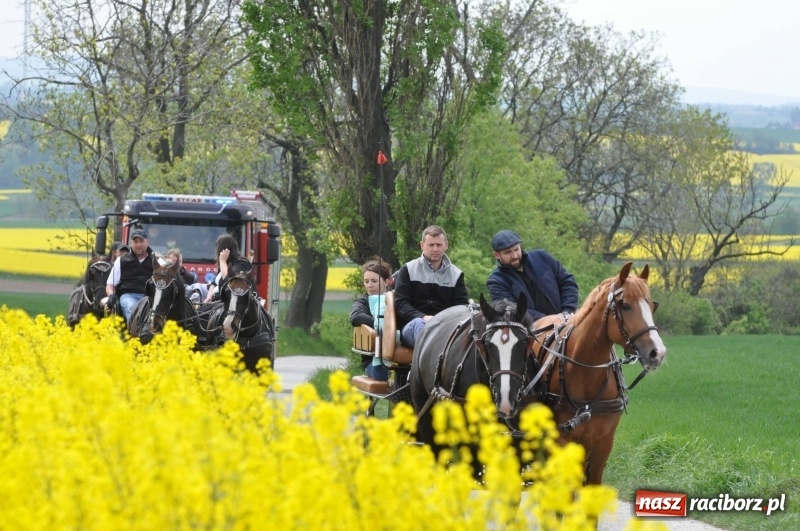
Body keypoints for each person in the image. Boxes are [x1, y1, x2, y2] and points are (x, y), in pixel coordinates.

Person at [394, 225, 469, 348]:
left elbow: (460, 307)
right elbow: (401, 304)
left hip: (445, 327)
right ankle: (433, 361)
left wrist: (442, 321)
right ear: (422, 245)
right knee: (419, 325)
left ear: (446, 245)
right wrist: (423, 317)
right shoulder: (408, 269)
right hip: (412, 325)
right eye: (431, 245)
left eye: (439, 245)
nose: (435, 249)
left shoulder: (456, 274)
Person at [486, 229, 578, 322]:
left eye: (516, 249)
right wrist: (551, 320)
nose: (514, 255)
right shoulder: (496, 281)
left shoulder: (542, 257)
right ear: (497, 255)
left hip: (567, 321)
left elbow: (567, 282)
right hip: (534, 332)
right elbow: (513, 311)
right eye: (508, 252)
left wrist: (567, 311)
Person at [349, 257, 393, 381]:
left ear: (386, 282)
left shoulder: (395, 301)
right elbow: (356, 317)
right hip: (373, 362)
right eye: (366, 281)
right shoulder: (362, 302)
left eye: (374, 281)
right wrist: (382, 325)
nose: (369, 285)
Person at [105, 228, 154, 322]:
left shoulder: (157, 261)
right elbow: (110, 284)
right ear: (131, 243)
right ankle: (136, 331)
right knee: (132, 308)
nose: (138, 244)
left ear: (147, 242)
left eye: (141, 241)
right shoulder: (121, 261)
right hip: (129, 296)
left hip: (151, 297)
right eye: (136, 241)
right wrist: (111, 295)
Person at [203, 234, 242, 303]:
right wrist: (209, 297)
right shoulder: (224, 264)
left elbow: (228, 280)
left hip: (227, 303)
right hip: (214, 300)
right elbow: (214, 283)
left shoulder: (240, 264)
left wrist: (222, 261)